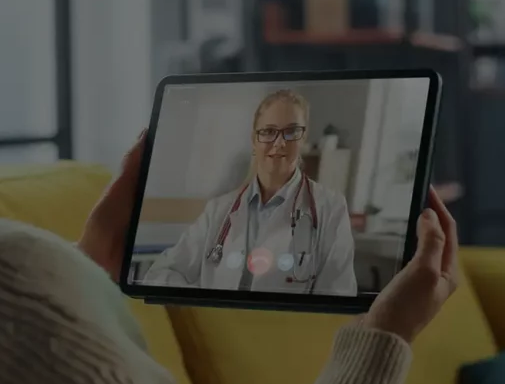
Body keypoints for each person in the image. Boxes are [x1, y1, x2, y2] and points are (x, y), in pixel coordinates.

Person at [0, 0, 460, 384]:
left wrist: (85, 279)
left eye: (291, 134)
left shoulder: (328, 203)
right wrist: (384, 335)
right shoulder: (8, 276)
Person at [144, 90, 358, 295]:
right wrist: (204, 303)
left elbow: (338, 295)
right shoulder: (218, 210)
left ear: (303, 138)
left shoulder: (330, 208)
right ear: (254, 140)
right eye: (268, 132)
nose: (280, 142)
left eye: (292, 131)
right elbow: (161, 273)